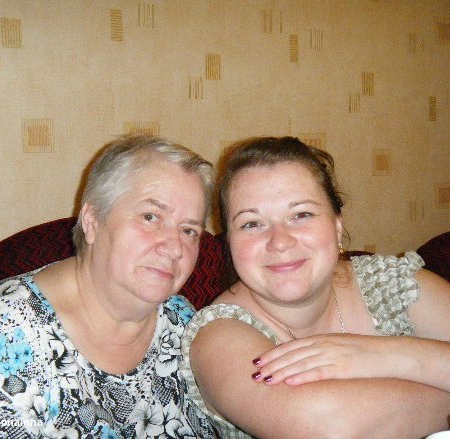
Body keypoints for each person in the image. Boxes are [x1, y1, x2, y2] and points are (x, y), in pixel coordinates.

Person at [0, 134, 216, 438]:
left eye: (189, 231)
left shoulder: (181, 320)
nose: (175, 248)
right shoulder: (1, 334)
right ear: (92, 220)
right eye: (150, 217)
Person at [180, 136, 450, 438]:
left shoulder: (393, 283)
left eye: (301, 214)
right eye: (252, 223)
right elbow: (327, 426)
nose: (280, 241)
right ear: (229, 242)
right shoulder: (219, 334)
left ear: (337, 225)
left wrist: (381, 354)